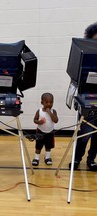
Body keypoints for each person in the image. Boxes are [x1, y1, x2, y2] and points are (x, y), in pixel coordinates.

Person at [69, 22, 97, 171]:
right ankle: (76, 159)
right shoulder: (84, 55)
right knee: (84, 133)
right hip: (86, 97)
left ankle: (91, 160)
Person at [32, 93, 58, 166]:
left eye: (51, 102)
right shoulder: (39, 111)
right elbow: (35, 120)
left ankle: (47, 157)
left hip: (50, 132)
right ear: (42, 102)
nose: (49, 104)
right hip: (40, 132)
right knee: (38, 146)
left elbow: (55, 120)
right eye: (46, 102)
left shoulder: (53, 111)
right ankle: (36, 158)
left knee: (48, 146)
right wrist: (39, 122)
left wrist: (49, 112)